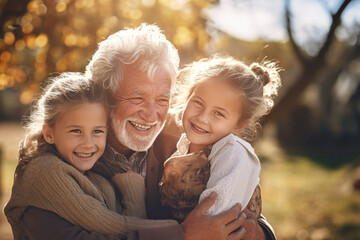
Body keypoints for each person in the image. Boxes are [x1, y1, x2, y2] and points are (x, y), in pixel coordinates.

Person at [17, 24, 277, 240]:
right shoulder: (59, 160)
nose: (152, 115)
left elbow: (242, 202)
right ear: (104, 97)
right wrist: (184, 236)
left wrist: (258, 234)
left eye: (163, 99)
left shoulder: (188, 139)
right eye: (137, 97)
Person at [4, 72, 179, 239]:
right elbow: (113, 225)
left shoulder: (96, 179)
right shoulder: (45, 171)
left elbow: (131, 224)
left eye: (97, 131)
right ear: (49, 134)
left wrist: (130, 185)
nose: (88, 143)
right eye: (75, 131)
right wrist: (180, 231)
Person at [159, 56, 281, 222]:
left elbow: (214, 216)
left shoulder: (233, 152)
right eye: (198, 103)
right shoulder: (183, 144)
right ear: (187, 98)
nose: (202, 118)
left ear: (239, 125)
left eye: (218, 113)